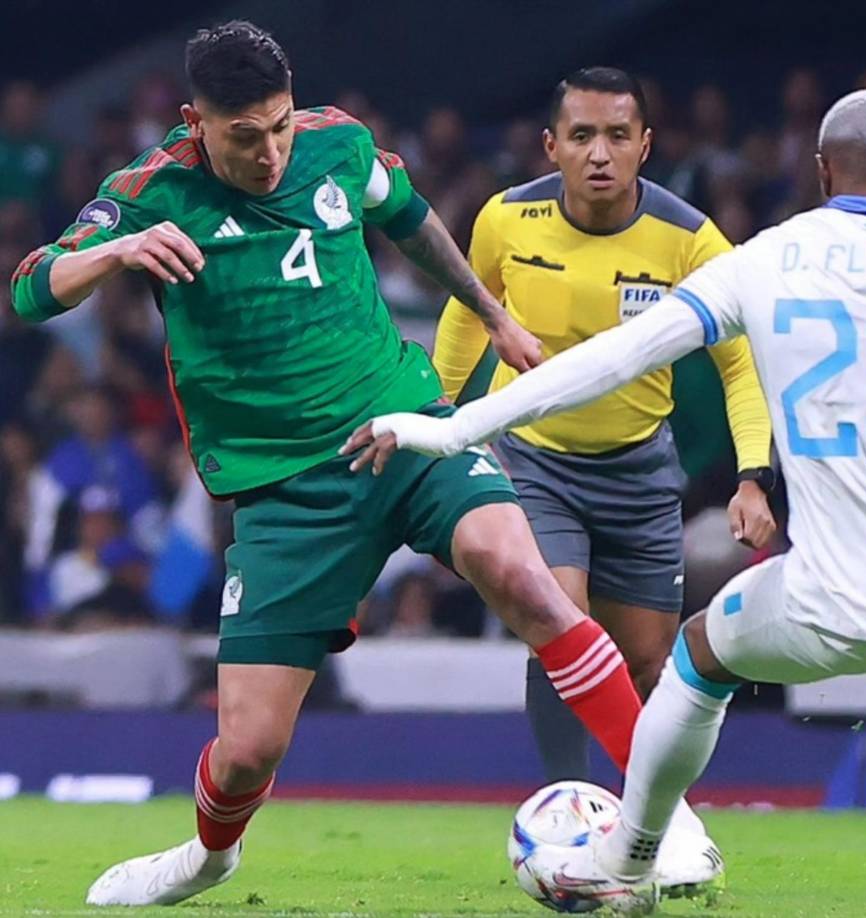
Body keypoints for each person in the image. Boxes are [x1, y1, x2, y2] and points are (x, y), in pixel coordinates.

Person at [348, 89, 866, 913]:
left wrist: (461, 427)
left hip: (836, 600)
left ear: (823, 173)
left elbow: (613, 358)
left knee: (697, 658)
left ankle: (630, 859)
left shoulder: (766, 260)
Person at [10, 20, 657, 907]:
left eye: (279, 126)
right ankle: (208, 857)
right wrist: (116, 252)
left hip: (405, 425)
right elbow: (28, 287)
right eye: (246, 136)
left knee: (520, 572)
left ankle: (668, 823)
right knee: (246, 751)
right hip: (284, 488)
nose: (271, 152)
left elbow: (413, 220)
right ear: (197, 120)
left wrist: (491, 312)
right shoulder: (149, 191)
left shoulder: (338, 143)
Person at [432, 67, 775, 782]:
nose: (599, 153)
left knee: (648, 662)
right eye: (582, 135)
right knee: (559, 622)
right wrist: (439, 419)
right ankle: (568, 806)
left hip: (640, 469)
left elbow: (742, 368)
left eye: (617, 135)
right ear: (550, 145)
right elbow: (471, 308)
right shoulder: (504, 219)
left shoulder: (691, 241)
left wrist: (752, 478)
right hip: (535, 460)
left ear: (645, 145)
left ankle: (645, 827)